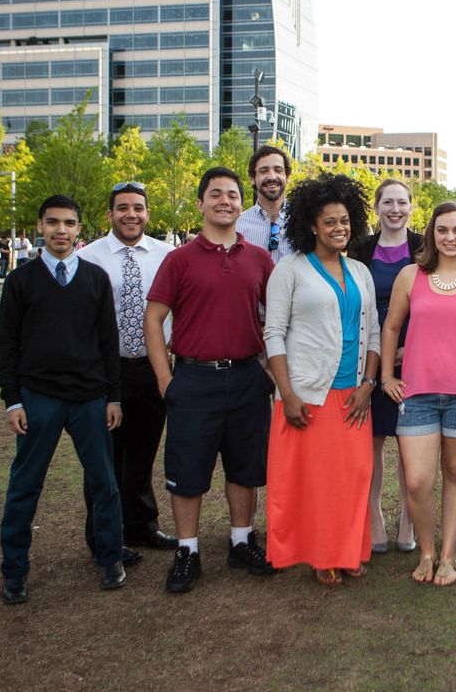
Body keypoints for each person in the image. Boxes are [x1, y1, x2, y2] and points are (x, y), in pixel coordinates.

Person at [145, 167, 276, 594]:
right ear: (201, 203)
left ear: (243, 203)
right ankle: (188, 550)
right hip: (193, 379)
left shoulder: (259, 259)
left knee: (246, 466)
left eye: (233, 194)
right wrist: (166, 381)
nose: (225, 200)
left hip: (245, 379)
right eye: (216, 193)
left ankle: (242, 541)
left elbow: (275, 319)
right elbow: (154, 319)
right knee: (188, 470)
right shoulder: (179, 259)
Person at [0, 195, 125, 603]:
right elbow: (6, 347)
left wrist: (113, 398)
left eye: (69, 223)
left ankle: (109, 559)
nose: (61, 231)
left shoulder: (94, 279)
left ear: (79, 230)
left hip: (89, 398)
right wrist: (13, 401)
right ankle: (14, 570)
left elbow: (108, 343)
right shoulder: (21, 281)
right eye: (53, 222)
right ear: (40, 227)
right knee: (25, 486)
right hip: (39, 399)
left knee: (104, 484)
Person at [380, 201, 456, 587]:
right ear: (432, 234)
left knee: (455, 473)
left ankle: (448, 555)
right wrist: (386, 376)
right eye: (442, 230)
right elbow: (390, 329)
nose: (450, 237)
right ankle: (427, 551)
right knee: (417, 481)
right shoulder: (410, 276)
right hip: (416, 394)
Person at [264, 173, 381, 585]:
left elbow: (374, 334)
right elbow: (273, 334)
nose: (339, 229)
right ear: (312, 225)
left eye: (345, 220)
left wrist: (368, 384)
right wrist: (286, 393)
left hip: (353, 394)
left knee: (354, 477)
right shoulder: (290, 270)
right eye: (329, 221)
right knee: (318, 482)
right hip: (308, 394)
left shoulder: (361, 272)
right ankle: (322, 554)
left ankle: (347, 549)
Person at [79, 181, 178, 554]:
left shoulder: (168, 255)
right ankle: (104, 535)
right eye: (123, 208)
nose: (131, 214)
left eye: (138, 207)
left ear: (147, 213)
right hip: (107, 370)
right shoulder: (89, 257)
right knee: (105, 459)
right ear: (110, 214)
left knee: (142, 453)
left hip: (153, 368)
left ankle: (140, 526)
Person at [352, 179, 422, 554]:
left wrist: (409, 346)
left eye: (402, 202)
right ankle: (374, 515)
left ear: (411, 207)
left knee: (412, 440)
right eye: (388, 202)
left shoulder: (424, 246)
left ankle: (409, 519)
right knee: (373, 439)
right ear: (377, 208)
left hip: (417, 352)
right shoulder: (360, 248)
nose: (395, 209)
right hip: (371, 353)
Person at [236, 144, 294, 263]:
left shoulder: (305, 221)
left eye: (278, 170)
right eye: (264, 171)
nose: (272, 176)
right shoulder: (237, 226)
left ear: (287, 176)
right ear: (252, 178)